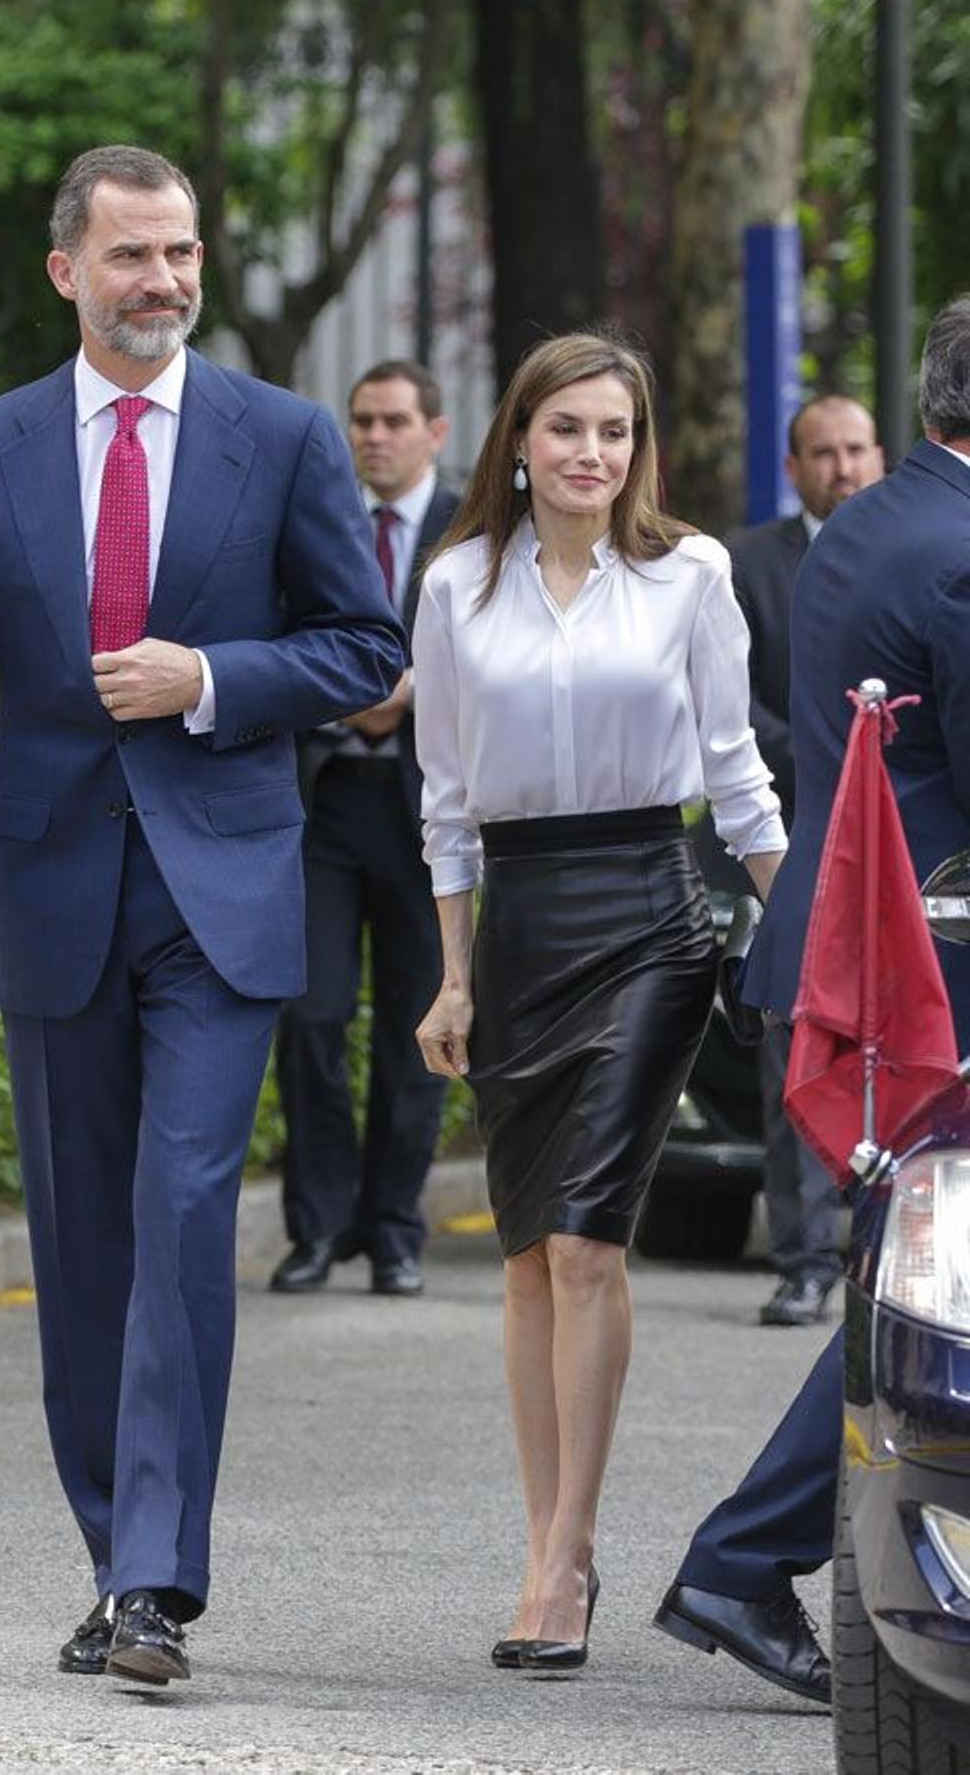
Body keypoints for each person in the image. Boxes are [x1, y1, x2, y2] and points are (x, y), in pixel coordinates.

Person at [0, 145, 405, 1687]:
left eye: (182, 254)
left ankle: (161, 1583)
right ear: (67, 272)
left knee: (178, 1220)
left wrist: (214, 679)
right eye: (132, 257)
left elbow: (363, 643)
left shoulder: (284, 437)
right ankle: (115, 1557)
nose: (164, 281)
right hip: (51, 894)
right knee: (84, 1246)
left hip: (223, 891)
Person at [411, 332, 786, 1670]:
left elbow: (736, 775)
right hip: (519, 929)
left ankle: (567, 1557)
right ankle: (541, 1537)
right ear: (518, 439)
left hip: (650, 918)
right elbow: (446, 803)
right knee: (522, 1261)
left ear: (640, 450)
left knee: (583, 1244)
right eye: (566, 428)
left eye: (614, 433)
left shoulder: (691, 573)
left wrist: (807, 928)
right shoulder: (457, 585)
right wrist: (452, 974)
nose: (589, 455)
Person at [655, 295, 970, 1706]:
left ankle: (743, 1558)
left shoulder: (875, 523)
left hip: (855, 963)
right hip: (913, 978)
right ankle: (740, 1559)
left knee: (891, 1292)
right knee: (911, 1299)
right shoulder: (960, 549)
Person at [271, 360, 459, 1298]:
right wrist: (346, 694)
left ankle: (392, 1230)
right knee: (308, 1016)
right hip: (325, 799)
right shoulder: (316, 517)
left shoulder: (475, 529)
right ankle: (316, 1227)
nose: (374, 437)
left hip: (430, 810)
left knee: (414, 1031)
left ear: (436, 430)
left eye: (393, 421)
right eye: (361, 422)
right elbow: (282, 635)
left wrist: (413, 694)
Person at [728, 397, 884, 1327]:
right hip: (791, 833)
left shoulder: (916, 549)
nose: (843, 467)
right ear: (794, 467)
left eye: (857, 449)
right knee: (796, 1037)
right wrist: (838, 757)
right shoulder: (747, 564)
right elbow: (729, 706)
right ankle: (805, 1258)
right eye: (823, 453)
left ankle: (887, 1251)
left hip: (900, 832)